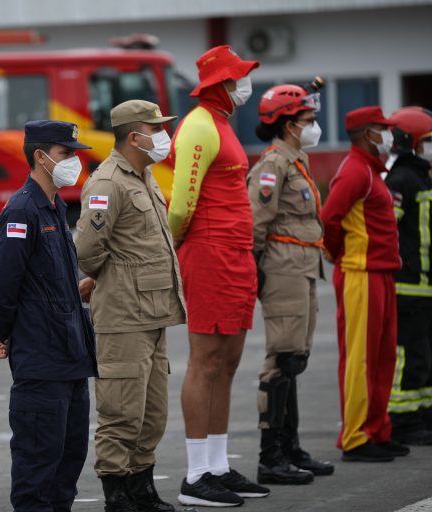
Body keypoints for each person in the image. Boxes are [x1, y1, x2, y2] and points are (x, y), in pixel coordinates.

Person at [167, 45, 270, 507]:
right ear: (219, 85)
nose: (244, 85)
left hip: (236, 256)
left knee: (228, 362)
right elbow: (181, 205)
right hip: (209, 254)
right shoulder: (199, 125)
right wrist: (186, 248)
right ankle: (194, 476)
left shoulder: (222, 123)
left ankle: (218, 465)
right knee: (206, 360)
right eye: (237, 78)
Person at [75, 100, 186, 512]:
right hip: (123, 315)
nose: (162, 135)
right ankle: (117, 495)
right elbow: (88, 250)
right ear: (134, 134)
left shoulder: (145, 176)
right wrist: (110, 277)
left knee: (152, 411)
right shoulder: (108, 182)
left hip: (153, 312)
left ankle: (142, 488)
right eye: (155, 128)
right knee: (120, 412)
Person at [0, 120, 97, 512]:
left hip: (71, 359)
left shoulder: (54, 205)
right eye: (67, 154)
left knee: (67, 468)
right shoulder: (22, 209)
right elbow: (4, 287)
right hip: (42, 362)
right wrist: (5, 333)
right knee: (38, 473)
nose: (74, 161)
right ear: (41, 156)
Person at [247, 83, 335, 484]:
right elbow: (256, 222)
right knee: (281, 359)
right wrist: (256, 267)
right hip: (282, 268)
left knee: (295, 359)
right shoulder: (272, 165)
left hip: (303, 267)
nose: (313, 127)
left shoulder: (296, 159)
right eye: (307, 120)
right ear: (287, 124)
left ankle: (291, 446)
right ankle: (271, 456)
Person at [320, 106, 407, 462]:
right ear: (367, 133)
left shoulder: (371, 170)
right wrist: (338, 254)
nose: (387, 134)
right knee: (361, 359)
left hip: (380, 273)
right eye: (382, 128)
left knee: (383, 357)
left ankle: (377, 430)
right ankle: (356, 438)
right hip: (361, 274)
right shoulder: (355, 171)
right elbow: (329, 218)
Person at [385, 106, 432, 445]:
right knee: (410, 356)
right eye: (430, 141)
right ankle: (402, 421)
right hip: (408, 286)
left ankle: (426, 415)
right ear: (411, 143)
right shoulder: (401, 180)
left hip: (427, 285)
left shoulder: (423, 176)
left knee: (431, 357)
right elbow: (386, 230)